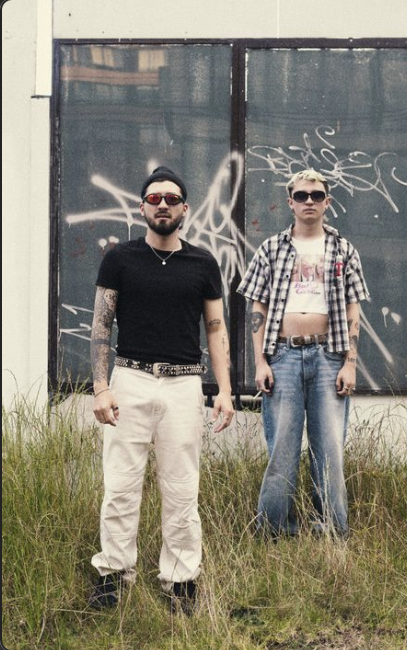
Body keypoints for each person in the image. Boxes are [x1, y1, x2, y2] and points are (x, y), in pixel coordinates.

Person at [89, 166, 234, 613]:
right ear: (142, 208)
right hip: (129, 380)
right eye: (154, 199)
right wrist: (100, 387)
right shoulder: (119, 258)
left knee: (182, 487)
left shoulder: (203, 263)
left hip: (183, 384)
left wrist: (225, 390)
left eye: (171, 199)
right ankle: (114, 575)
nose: (163, 205)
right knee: (120, 485)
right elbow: (101, 326)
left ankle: (180, 581)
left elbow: (216, 328)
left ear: (185, 209)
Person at [237, 169, 369, 539]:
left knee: (330, 450)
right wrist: (261, 361)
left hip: (329, 357)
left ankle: (332, 533)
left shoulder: (343, 249)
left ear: (327, 202)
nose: (308, 201)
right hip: (283, 356)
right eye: (301, 195)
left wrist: (350, 364)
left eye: (316, 195)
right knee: (282, 449)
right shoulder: (271, 249)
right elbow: (258, 306)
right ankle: (273, 532)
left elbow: (353, 309)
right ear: (290, 202)